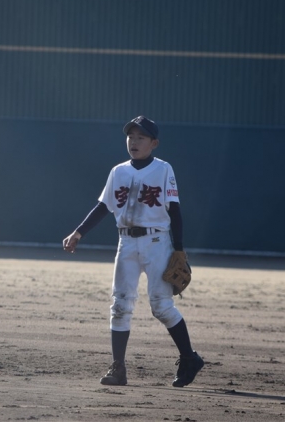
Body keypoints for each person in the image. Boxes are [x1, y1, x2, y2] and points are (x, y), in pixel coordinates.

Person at [62, 115, 204, 387]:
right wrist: (78, 232)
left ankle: (189, 358)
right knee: (120, 304)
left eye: (141, 137)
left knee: (161, 306)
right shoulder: (118, 172)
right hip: (126, 243)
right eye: (130, 136)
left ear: (154, 143)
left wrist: (179, 250)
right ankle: (118, 368)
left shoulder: (163, 169)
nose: (134, 142)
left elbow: (175, 210)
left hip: (157, 243)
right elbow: (103, 206)